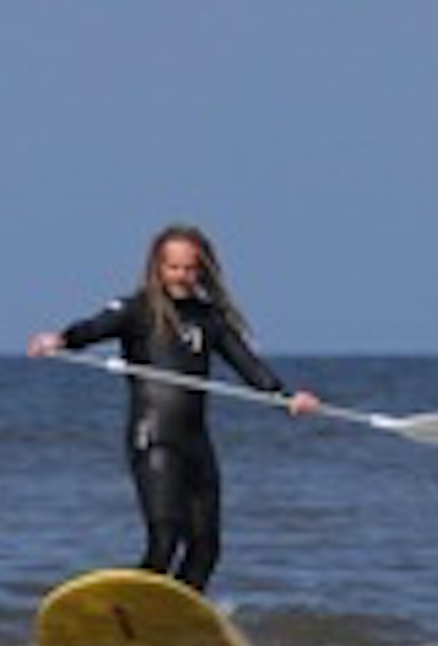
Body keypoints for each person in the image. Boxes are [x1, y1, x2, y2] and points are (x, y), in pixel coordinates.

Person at [29, 225, 319, 592]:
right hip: (154, 438)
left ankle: (173, 617)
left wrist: (286, 398)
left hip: (196, 443)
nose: (181, 275)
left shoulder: (210, 318)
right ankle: (131, 611)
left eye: (190, 268)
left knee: (206, 549)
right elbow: (93, 328)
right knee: (165, 538)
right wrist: (60, 339)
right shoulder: (137, 310)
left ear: (203, 270)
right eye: (173, 267)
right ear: (157, 267)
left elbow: (248, 365)